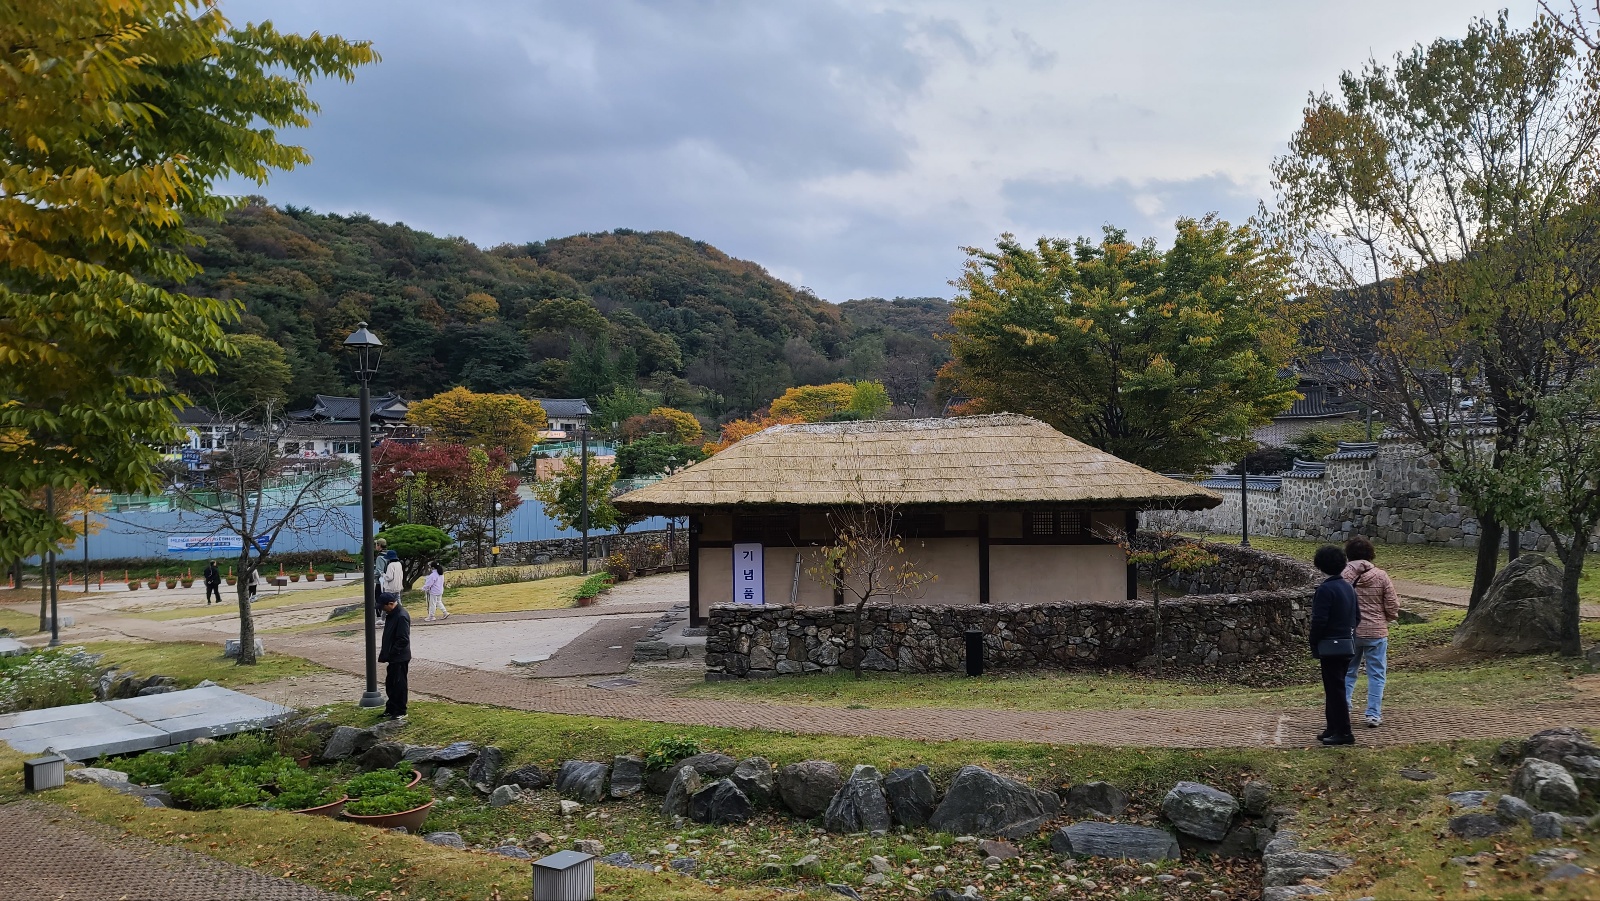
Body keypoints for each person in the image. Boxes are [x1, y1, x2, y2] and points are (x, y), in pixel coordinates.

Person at [1343, 536, 1400, 728]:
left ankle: (1343, 709)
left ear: (1349, 554)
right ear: (1370, 554)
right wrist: (1387, 618)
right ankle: (1373, 714)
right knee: (1376, 674)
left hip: (1350, 631)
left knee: (1348, 671)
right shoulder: (1381, 576)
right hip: (1376, 632)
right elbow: (1392, 604)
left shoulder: (1343, 575)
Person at [1310, 544, 1361, 746]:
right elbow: (1357, 617)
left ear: (1320, 565)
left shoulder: (1325, 589)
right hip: (1347, 643)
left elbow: (1319, 620)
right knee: (1334, 687)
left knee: (1335, 689)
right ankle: (1332, 727)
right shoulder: (1348, 587)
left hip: (1330, 645)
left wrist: (1314, 640)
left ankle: (1344, 731)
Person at [377, 592, 410, 720]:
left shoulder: (401, 616)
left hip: (399, 657)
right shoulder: (392, 615)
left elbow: (403, 639)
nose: (382, 609)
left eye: (383, 607)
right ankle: (391, 708)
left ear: (390, 604)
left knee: (399, 684)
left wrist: (392, 652)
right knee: (391, 683)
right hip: (394, 656)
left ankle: (401, 710)